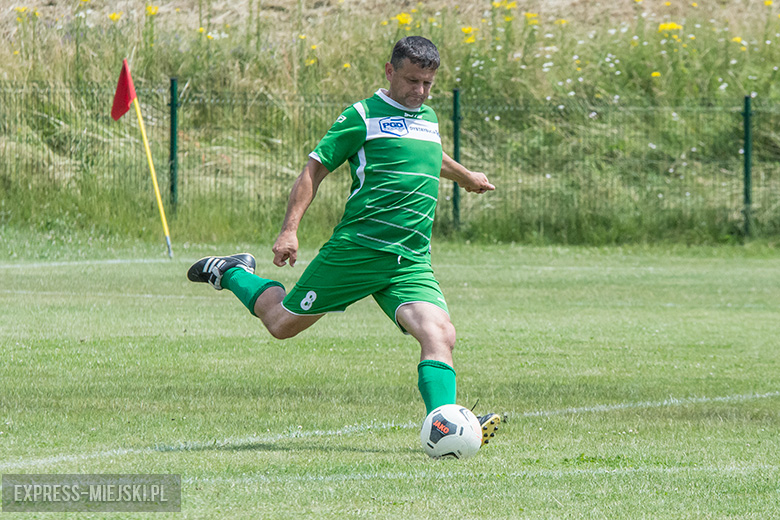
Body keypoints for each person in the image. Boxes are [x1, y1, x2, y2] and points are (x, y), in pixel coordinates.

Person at [188, 36, 500, 447]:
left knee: (440, 334)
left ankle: (444, 425)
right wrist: (290, 229)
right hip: (359, 249)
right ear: (389, 72)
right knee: (281, 325)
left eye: (427, 83)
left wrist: (467, 178)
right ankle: (232, 272)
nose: (419, 91)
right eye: (411, 81)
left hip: (410, 259)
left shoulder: (428, 117)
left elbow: (431, 153)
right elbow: (313, 170)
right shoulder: (362, 116)